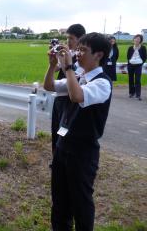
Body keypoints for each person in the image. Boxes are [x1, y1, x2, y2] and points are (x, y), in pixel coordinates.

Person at [43, 32, 112, 231]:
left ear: (98, 55)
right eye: (78, 49)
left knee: (81, 202)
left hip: (83, 151)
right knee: (59, 199)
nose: (78, 54)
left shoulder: (102, 82)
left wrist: (68, 66)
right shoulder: (79, 76)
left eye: (83, 50)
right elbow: (49, 86)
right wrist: (52, 65)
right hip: (63, 146)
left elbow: (76, 96)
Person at [49, 24, 86, 157]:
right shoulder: (69, 53)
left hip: (70, 98)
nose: (68, 42)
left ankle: (62, 158)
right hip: (60, 94)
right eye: (67, 38)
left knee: (65, 131)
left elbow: (73, 76)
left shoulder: (82, 59)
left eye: (71, 38)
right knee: (55, 128)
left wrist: (66, 62)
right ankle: (55, 159)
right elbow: (57, 69)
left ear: (81, 39)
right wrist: (56, 57)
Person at [127, 34, 146, 100]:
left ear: (140, 40)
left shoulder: (143, 47)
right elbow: (128, 57)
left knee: (138, 79)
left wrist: (141, 63)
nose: (137, 40)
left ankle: (138, 94)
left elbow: (144, 57)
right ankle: (131, 93)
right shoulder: (130, 48)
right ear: (133, 39)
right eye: (136, 38)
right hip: (131, 65)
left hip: (138, 65)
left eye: (138, 39)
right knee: (131, 79)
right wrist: (130, 63)